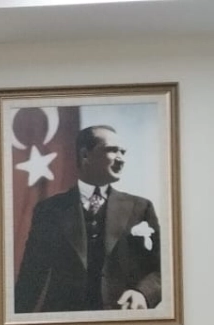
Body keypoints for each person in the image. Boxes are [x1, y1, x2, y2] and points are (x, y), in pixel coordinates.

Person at [14, 124, 162, 314]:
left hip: (123, 318)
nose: (121, 159)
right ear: (85, 155)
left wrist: (142, 294)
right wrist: (15, 323)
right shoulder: (50, 210)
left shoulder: (141, 208)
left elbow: (163, 269)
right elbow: (31, 277)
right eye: (112, 150)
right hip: (66, 321)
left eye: (123, 152)